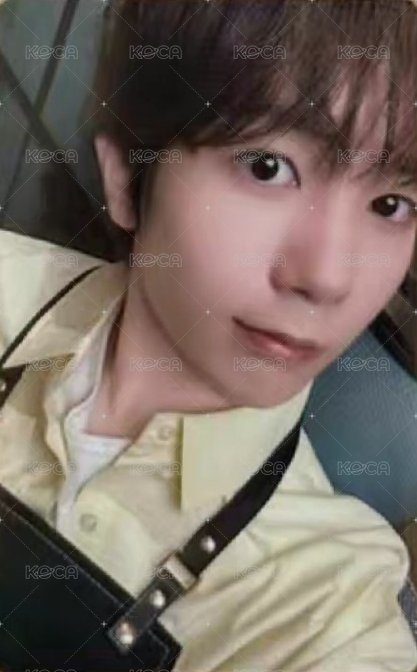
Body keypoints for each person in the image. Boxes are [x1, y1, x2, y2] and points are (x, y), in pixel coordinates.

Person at [0, 0, 417, 669]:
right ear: (126, 177)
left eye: (390, 204)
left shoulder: (324, 605)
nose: (328, 278)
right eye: (266, 166)